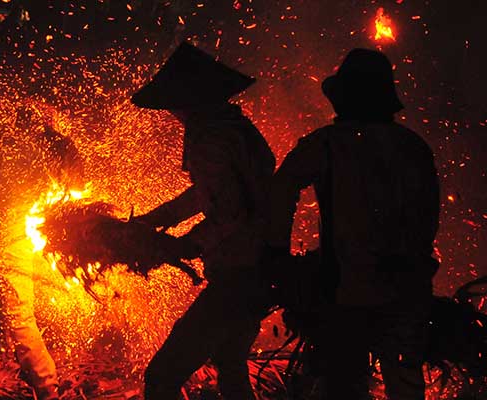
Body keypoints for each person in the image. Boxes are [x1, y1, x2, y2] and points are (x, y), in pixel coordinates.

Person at [267, 48, 440, 400]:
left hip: (347, 292)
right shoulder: (413, 146)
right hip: (405, 288)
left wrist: (277, 254)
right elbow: (428, 217)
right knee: (405, 384)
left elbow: (280, 190)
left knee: (344, 385)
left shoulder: (328, 144)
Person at [131, 42, 276, 399]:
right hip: (259, 268)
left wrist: (183, 245)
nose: (170, 112)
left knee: (162, 376)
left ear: (188, 99)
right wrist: (158, 218)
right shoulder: (234, 128)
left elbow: (228, 212)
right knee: (231, 365)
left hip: (237, 275)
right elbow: (211, 193)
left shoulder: (211, 139)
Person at [0, 106, 83, 400]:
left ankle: (46, 391)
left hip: (19, 230)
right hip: (39, 228)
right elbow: (78, 190)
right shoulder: (65, 146)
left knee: (19, 311)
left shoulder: (13, 146)